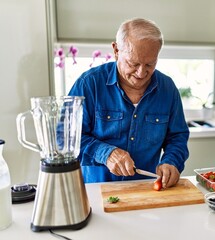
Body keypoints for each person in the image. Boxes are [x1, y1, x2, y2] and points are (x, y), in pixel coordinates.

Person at [68, 18, 189, 188]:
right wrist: (105, 153)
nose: (141, 73)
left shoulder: (167, 89)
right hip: (96, 191)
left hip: (147, 190)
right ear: (116, 50)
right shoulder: (89, 84)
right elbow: (65, 138)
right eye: (133, 63)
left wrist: (172, 162)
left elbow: (177, 137)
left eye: (150, 64)